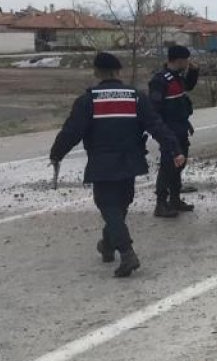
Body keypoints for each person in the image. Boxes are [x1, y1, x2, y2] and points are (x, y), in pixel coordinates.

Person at [50, 52, 184, 277]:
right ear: (118, 71)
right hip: (131, 161)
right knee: (120, 205)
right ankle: (107, 243)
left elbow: (71, 131)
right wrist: (174, 149)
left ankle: (127, 252)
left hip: (102, 163)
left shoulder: (88, 100)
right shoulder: (135, 97)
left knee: (109, 207)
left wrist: (56, 154)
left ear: (96, 72)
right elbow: (156, 125)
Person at [148, 44, 199, 217]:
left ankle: (175, 199)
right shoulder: (160, 80)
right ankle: (161, 203)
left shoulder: (176, 77)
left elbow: (187, 88)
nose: (188, 63)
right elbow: (154, 108)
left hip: (180, 126)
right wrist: (161, 131)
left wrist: (194, 72)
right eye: (186, 60)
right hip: (168, 129)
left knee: (180, 162)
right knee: (168, 165)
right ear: (179, 60)